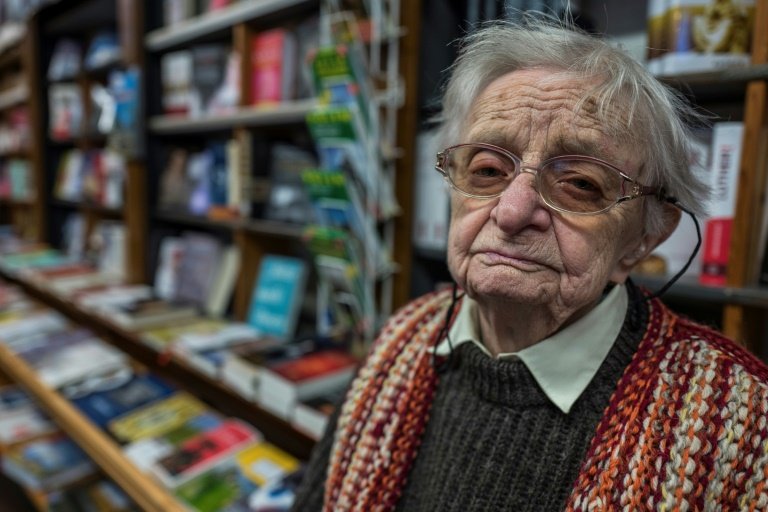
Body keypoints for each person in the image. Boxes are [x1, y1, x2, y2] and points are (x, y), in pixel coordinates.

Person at [291, 19, 768, 511]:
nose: (512, 211)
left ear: (643, 239)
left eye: (580, 183)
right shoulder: (402, 340)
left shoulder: (742, 430)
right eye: (488, 170)